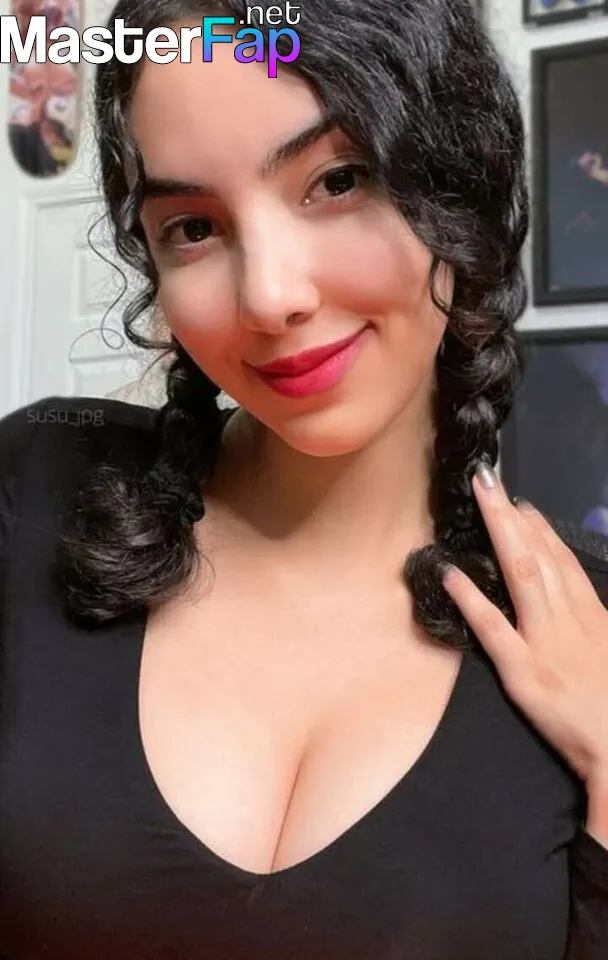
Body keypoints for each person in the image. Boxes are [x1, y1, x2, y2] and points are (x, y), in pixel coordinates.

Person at [0, 1, 607, 958]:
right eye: (193, 226)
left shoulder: (594, 635)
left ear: (460, 182)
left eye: (337, 180)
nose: (270, 296)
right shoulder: (32, 489)